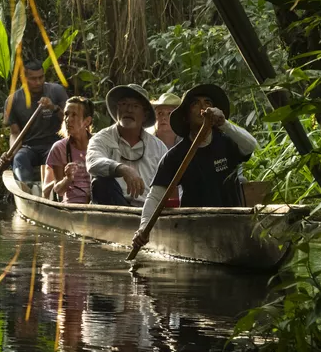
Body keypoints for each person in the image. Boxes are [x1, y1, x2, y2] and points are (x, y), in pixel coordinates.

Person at [130, 84, 259, 254]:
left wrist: (224, 124)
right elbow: (155, 197)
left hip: (233, 226)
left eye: (207, 102)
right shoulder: (175, 156)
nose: (203, 107)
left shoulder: (227, 141)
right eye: (195, 104)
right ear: (186, 116)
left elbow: (251, 146)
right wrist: (143, 228)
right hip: (195, 231)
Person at [86, 84, 167, 206]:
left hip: (146, 212)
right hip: (111, 209)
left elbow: (169, 184)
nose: (129, 110)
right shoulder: (102, 138)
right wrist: (122, 169)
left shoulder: (158, 147)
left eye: (135, 106)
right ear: (117, 109)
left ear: (144, 115)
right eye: (124, 104)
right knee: (100, 182)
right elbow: (93, 161)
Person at [6, 60, 69, 187]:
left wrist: (54, 108)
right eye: (33, 79)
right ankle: (27, 192)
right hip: (29, 147)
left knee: (55, 156)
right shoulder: (13, 100)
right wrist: (11, 153)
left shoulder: (56, 91)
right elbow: (15, 133)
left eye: (41, 77)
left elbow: (70, 120)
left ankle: (55, 193)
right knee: (19, 159)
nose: (38, 82)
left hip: (54, 144)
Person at [42, 96, 93, 203]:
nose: (68, 119)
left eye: (74, 115)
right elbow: (59, 190)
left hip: (98, 203)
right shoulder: (59, 148)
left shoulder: (99, 143)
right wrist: (68, 178)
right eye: (66, 114)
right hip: (72, 205)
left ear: (87, 121)